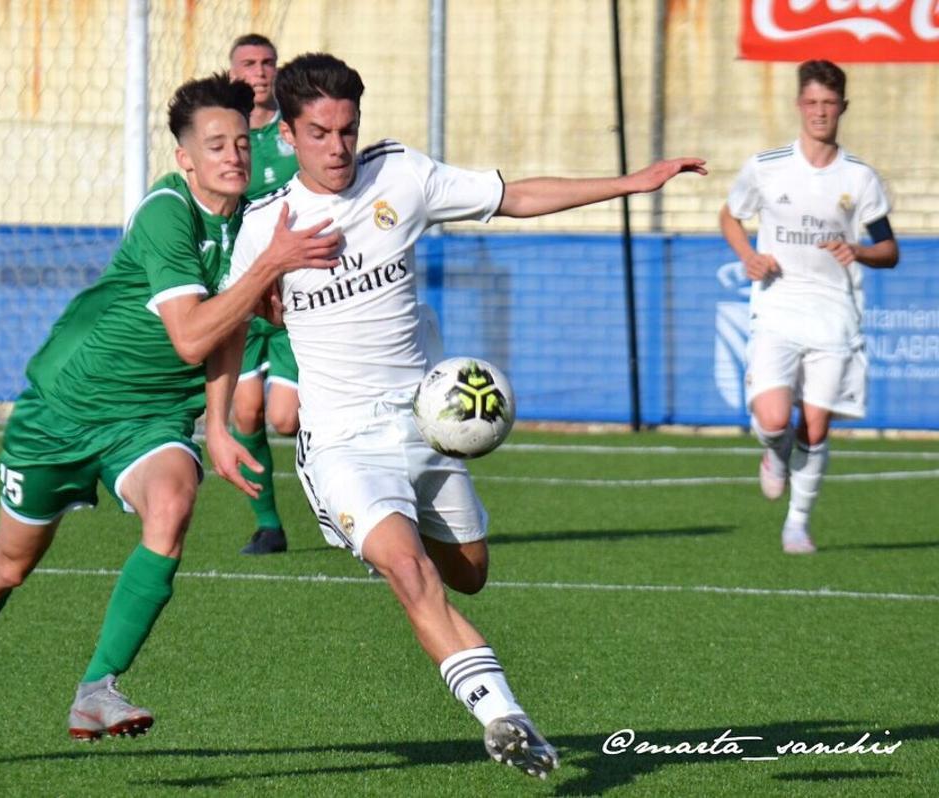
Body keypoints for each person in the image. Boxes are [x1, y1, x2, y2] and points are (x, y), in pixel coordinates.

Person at [222, 52, 706, 779]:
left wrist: (628, 185)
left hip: (425, 424)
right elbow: (225, 326)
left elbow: (514, 195)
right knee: (411, 572)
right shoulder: (268, 225)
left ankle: (431, 563)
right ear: (287, 135)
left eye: (348, 130)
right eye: (320, 133)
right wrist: (219, 420)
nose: (338, 148)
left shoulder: (402, 176)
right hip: (344, 443)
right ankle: (504, 717)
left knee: (469, 574)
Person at [0, 72, 339, 756]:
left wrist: (221, 428)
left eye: (240, 142)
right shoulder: (167, 212)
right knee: (7, 568)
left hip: (149, 420)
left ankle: (97, 688)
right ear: (186, 158)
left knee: (173, 503)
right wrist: (267, 276)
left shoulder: (258, 220)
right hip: (62, 411)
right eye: (215, 144)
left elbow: (227, 332)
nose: (233, 155)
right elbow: (192, 335)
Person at [720, 59, 898, 555]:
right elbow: (730, 215)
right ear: (800, 105)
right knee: (775, 419)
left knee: (815, 425)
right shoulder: (767, 165)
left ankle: (797, 524)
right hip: (779, 306)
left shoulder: (860, 178)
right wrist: (749, 256)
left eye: (830, 103)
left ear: (844, 107)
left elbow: (889, 249)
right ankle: (775, 454)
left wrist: (858, 250)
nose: (821, 112)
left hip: (834, 313)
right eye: (812, 102)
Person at [227, 33, 302, 554]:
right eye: (249, 63)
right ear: (232, 73)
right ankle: (270, 525)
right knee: (247, 415)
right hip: (243, 297)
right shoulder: (226, 139)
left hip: (296, 295)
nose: (259, 71)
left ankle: (351, 498)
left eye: (267, 62)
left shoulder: (296, 131)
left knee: (285, 418)